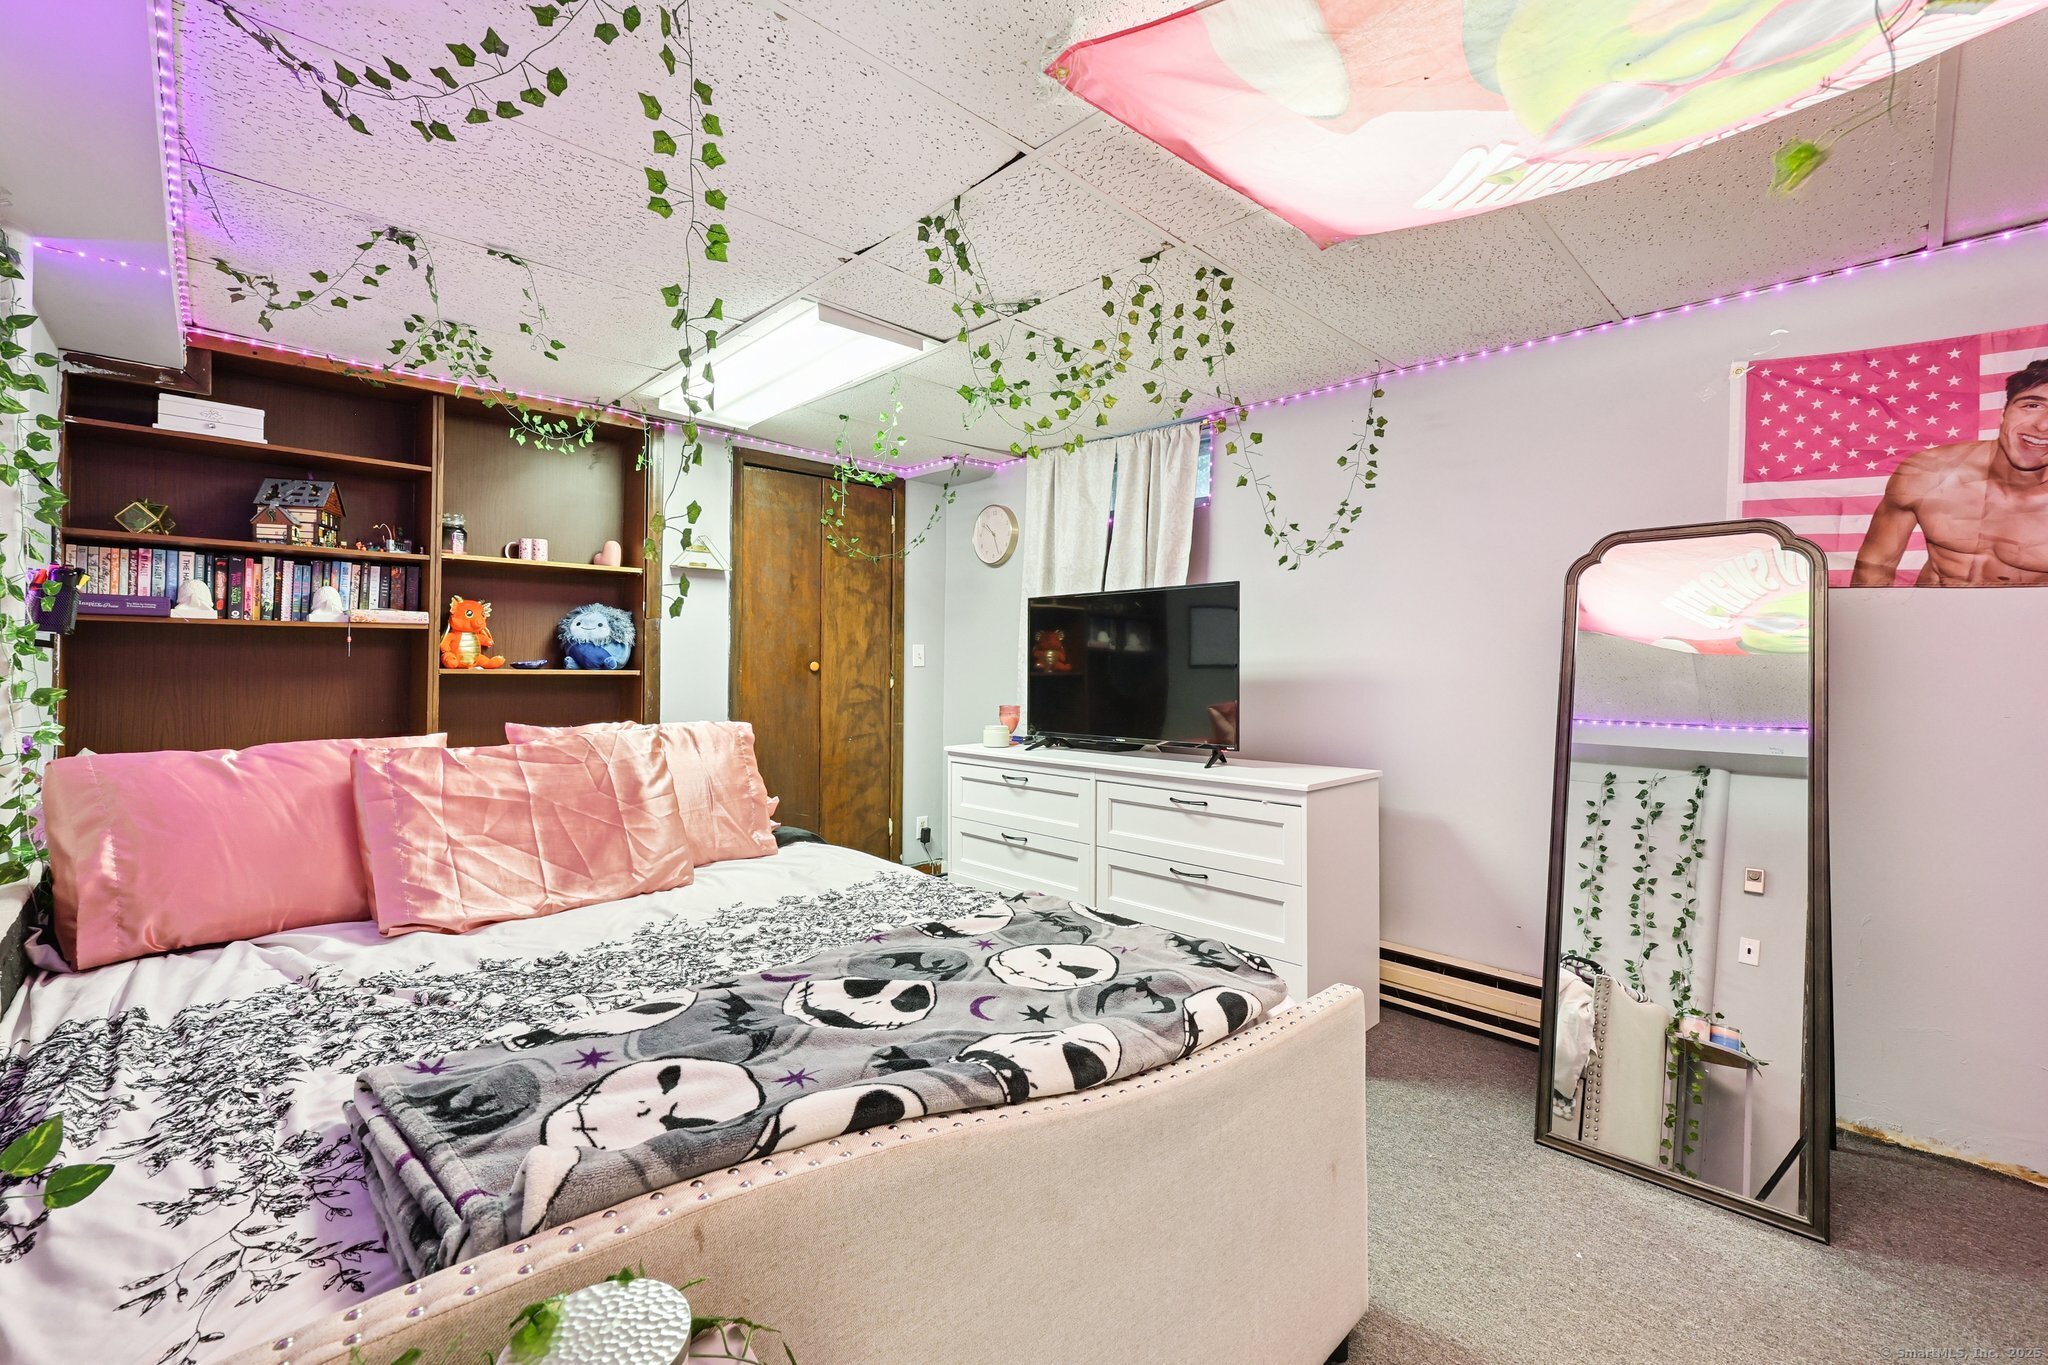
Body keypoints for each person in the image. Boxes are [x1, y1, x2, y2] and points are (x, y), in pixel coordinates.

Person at [1852, 359, 2048, 585]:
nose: (2043, 425)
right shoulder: (1928, 472)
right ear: (2004, 412)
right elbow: (1874, 567)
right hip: (1931, 606)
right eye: (2032, 405)